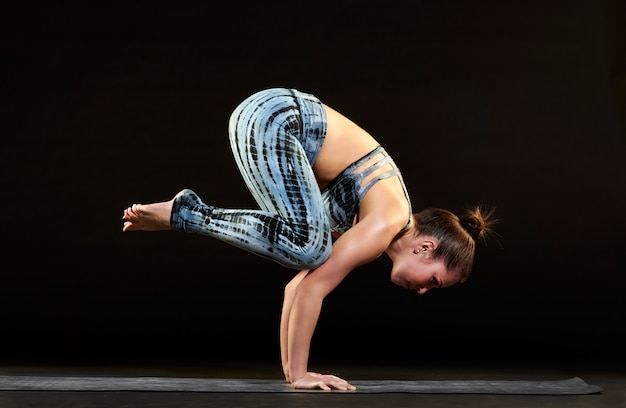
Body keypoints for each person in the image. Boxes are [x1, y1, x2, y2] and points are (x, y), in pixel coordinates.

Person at [122, 87, 497, 391]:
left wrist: (293, 375)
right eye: (432, 281)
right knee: (310, 246)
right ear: (425, 247)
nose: (423, 292)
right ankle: (188, 212)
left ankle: (187, 213)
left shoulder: (374, 222)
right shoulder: (387, 220)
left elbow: (298, 289)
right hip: (277, 118)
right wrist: (303, 374)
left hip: (262, 117)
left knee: (308, 250)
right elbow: (315, 289)